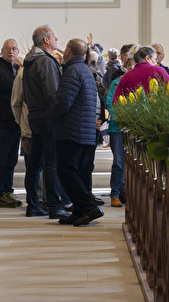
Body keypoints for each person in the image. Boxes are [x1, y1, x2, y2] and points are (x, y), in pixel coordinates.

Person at [46, 38, 103, 226]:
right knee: (79, 172)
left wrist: (48, 114)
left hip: (71, 130)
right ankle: (79, 211)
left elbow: (63, 102)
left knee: (66, 170)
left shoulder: (72, 70)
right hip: (84, 130)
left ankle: (88, 207)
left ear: (68, 51)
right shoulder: (86, 70)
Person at [22, 25, 69, 219]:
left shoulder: (29, 61)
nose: (57, 38)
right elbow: (52, 94)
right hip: (48, 117)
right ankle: (54, 206)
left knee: (35, 162)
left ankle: (32, 205)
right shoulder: (46, 62)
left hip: (34, 115)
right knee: (51, 162)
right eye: (54, 36)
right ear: (46, 41)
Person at [0, 39, 22, 208]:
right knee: (0, 160)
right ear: (2, 51)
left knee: (11, 159)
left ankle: (7, 190)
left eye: (14, 49)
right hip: (1, 124)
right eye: (8, 49)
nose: (11, 52)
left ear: (18, 52)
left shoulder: (17, 70)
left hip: (15, 123)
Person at [105, 52, 135, 207]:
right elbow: (109, 102)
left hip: (135, 127)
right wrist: (121, 117)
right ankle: (115, 194)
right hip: (118, 127)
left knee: (135, 162)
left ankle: (131, 193)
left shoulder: (140, 82)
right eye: (129, 65)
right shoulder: (117, 82)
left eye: (134, 66)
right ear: (125, 66)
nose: (131, 68)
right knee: (119, 161)